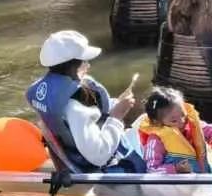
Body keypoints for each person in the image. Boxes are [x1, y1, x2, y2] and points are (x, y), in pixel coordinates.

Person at [25, 29, 146, 173]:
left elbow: (88, 115)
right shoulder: (76, 106)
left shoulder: (50, 91)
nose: (88, 65)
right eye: (84, 61)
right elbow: (99, 155)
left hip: (74, 158)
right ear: (72, 66)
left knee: (144, 121)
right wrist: (116, 118)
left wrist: (116, 105)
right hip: (105, 171)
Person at [136, 85, 212, 173]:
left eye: (183, 115)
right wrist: (176, 169)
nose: (182, 122)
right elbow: (151, 169)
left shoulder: (191, 124)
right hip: (176, 185)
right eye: (174, 121)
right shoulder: (156, 140)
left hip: (201, 180)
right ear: (157, 122)